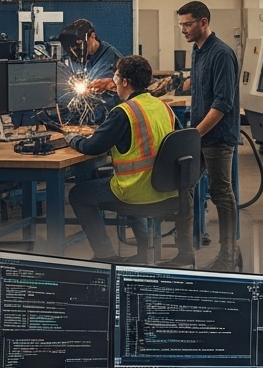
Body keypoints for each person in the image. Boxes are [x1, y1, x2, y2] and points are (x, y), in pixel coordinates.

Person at [67, 54, 192, 263]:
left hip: (138, 192)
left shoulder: (124, 112)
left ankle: (105, 256)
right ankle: (142, 252)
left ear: (125, 81)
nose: (113, 80)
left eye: (115, 76)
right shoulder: (164, 107)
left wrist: (73, 138)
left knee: (79, 194)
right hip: (169, 191)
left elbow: (92, 146)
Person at [178, 0, 240, 270]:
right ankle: (184, 253)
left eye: (188, 24)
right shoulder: (197, 50)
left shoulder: (221, 53)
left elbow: (223, 104)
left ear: (204, 22)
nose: (183, 30)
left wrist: (195, 133)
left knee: (221, 193)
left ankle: (228, 256)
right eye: (181, 24)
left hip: (217, 136)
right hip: (200, 135)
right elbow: (200, 85)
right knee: (184, 186)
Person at [55, 19, 123, 124]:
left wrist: (109, 83)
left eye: (80, 44)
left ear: (93, 36)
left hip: (105, 116)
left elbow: (116, 96)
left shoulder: (110, 60)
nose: (76, 50)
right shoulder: (85, 57)